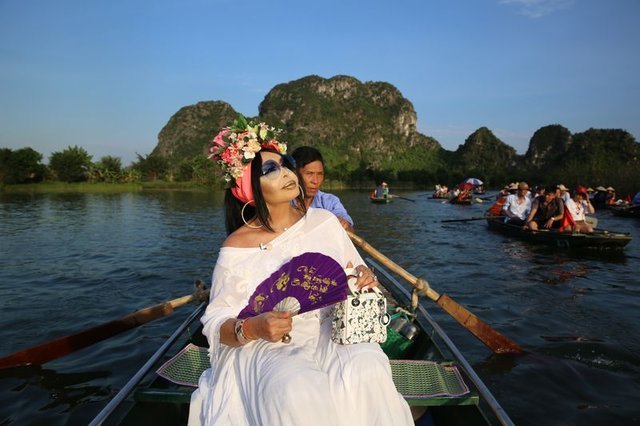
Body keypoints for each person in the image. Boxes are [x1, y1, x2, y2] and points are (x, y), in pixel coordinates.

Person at [189, 117, 413, 426]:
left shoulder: (325, 222)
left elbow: (353, 272)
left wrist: (363, 277)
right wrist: (253, 328)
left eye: (286, 165)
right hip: (268, 342)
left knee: (368, 368)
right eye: (271, 169)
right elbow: (216, 323)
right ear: (248, 188)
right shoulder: (236, 247)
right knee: (297, 388)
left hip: (333, 328)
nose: (286, 173)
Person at [291, 146, 354, 230]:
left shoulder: (330, 202)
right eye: (309, 174)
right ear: (294, 174)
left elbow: (349, 229)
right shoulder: (282, 202)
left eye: (320, 174)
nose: (315, 181)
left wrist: (345, 225)